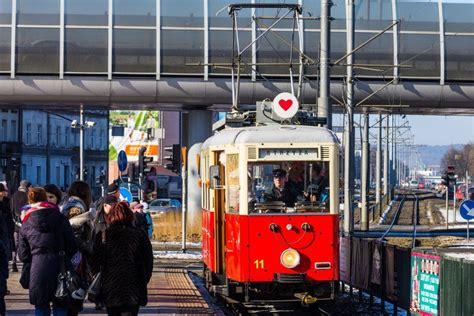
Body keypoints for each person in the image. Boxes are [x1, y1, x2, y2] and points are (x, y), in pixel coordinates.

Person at [18, 187, 77, 316]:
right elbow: (72, 246)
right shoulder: (61, 219)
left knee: (41, 305)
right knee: (61, 304)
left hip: (38, 269)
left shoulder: (26, 222)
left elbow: (23, 255)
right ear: (46, 200)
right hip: (60, 268)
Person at [91, 201, 153, 316]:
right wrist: (143, 280)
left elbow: (95, 263)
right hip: (134, 288)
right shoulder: (140, 235)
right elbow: (148, 262)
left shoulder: (104, 236)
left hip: (111, 287)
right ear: (130, 216)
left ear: (110, 217)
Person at [61, 181, 95, 315]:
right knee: (73, 292)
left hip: (69, 255)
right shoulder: (76, 207)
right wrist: (88, 249)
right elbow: (75, 234)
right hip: (75, 256)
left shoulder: (68, 204)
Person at [9, 180, 32, 272]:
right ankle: (26, 264)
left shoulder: (14, 196)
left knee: (16, 243)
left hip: (15, 224)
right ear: (27, 187)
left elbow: (11, 209)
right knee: (27, 243)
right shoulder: (28, 196)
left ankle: (14, 262)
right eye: (30, 187)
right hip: (26, 223)